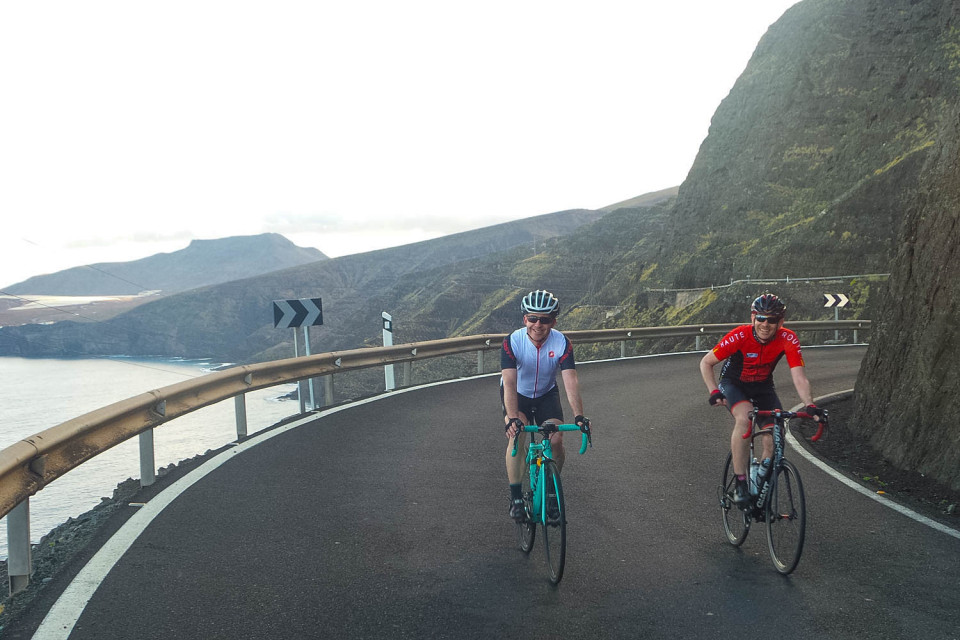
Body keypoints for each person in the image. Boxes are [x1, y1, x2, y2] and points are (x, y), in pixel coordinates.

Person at [699, 293, 824, 504]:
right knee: (746, 418)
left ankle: (759, 476)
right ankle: (740, 483)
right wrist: (714, 391)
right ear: (752, 318)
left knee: (774, 435)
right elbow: (705, 362)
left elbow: (799, 376)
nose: (765, 324)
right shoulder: (739, 336)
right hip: (734, 384)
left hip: (763, 387)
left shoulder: (788, 338)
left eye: (772, 320)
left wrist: (809, 404)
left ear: (780, 322)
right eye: (761, 318)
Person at [501, 289, 590, 521]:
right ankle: (516, 497)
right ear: (525, 319)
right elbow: (509, 383)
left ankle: (550, 490)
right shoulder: (512, 342)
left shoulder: (562, 343)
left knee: (557, 438)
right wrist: (512, 418)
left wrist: (579, 416)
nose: (538, 324)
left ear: (553, 321)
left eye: (545, 319)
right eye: (532, 318)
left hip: (546, 395)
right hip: (518, 395)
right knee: (517, 435)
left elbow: (570, 380)